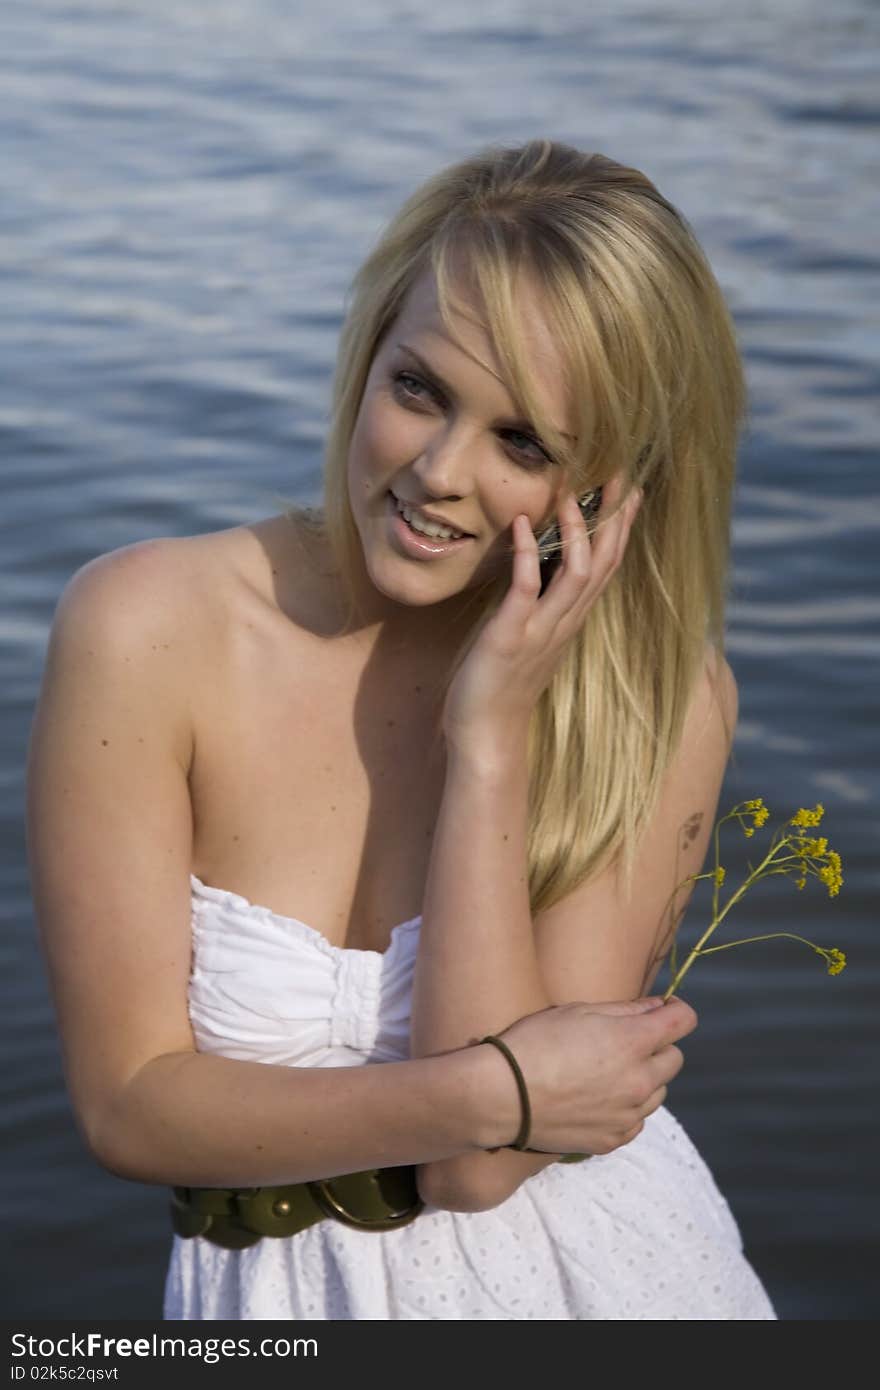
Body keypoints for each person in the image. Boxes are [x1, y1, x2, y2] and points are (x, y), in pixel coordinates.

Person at [25, 138, 776, 1320]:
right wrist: (500, 1087)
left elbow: (481, 1174)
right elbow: (128, 1106)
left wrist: (490, 743)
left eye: (522, 442)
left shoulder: (653, 699)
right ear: (368, 353)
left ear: (612, 485)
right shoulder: (143, 627)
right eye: (418, 388)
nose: (436, 472)